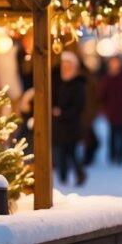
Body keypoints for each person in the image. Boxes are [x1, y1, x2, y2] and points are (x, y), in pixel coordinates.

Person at [53, 51, 87, 186]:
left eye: (68, 65)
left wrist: (62, 113)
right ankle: (63, 179)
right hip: (59, 126)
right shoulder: (57, 83)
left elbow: (79, 106)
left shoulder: (78, 85)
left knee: (71, 153)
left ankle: (79, 174)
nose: (65, 68)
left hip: (72, 125)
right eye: (64, 65)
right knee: (60, 153)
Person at [99, 56, 122, 166]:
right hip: (111, 112)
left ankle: (120, 157)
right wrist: (105, 109)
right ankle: (112, 156)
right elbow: (101, 96)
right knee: (112, 134)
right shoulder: (106, 79)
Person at [79, 59, 101, 166]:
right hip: (87, 112)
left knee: (89, 138)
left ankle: (87, 159)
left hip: (85, 113)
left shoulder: (84, 79)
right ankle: (87, 159)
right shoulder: (90, 78)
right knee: (89, 138)